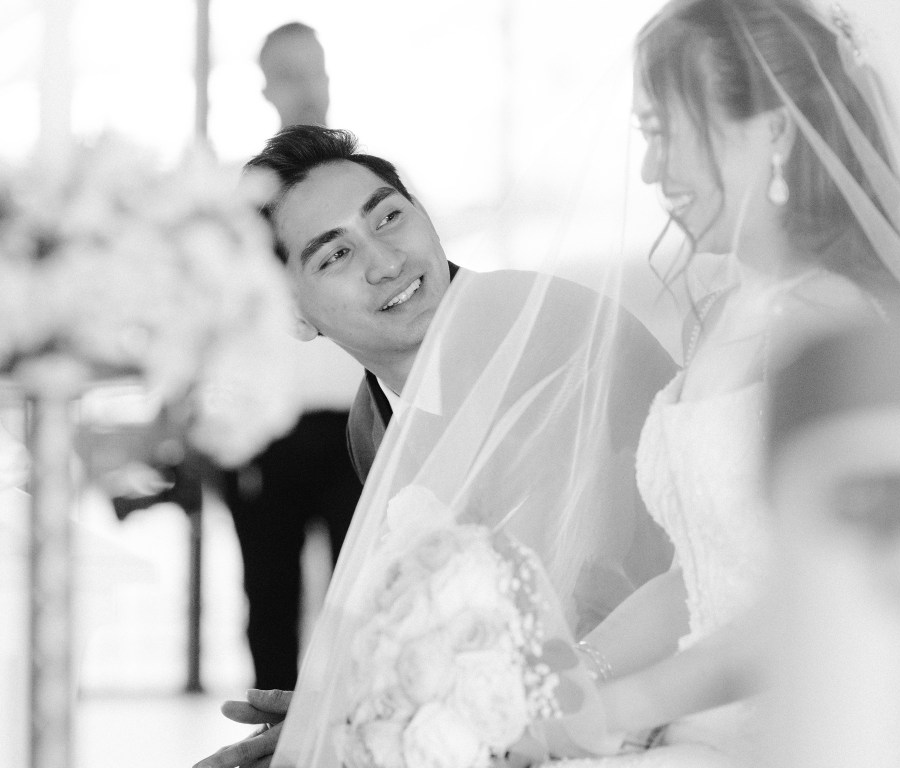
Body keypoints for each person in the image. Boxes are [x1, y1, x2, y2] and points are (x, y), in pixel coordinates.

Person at [193, 125, 678, 768]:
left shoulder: (548, 336)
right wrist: (353, 713)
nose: (386, 263)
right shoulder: (368, 426)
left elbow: (582, 603)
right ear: (293, 315)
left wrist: (377, 716)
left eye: (389, 218)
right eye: (335, 255)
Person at [560, 0, 900, 764]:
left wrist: (616, 710)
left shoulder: (838, 327)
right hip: (695, 723)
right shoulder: (721, 315)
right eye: (646, 135)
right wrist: (564, 678)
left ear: (777, 131)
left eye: (668, 132)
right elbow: (696, 577)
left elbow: (818, 607)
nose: (650, 171)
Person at [218, 19, 364, 692]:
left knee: (359, 605)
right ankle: (269, 735)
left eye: (317, 70)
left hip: (357, 425)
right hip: (266, 432)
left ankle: (354, 734)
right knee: (268, 599)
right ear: (266, 88)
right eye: (291, 75)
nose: (309, 88)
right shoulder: (241, 201)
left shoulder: (370, 187)